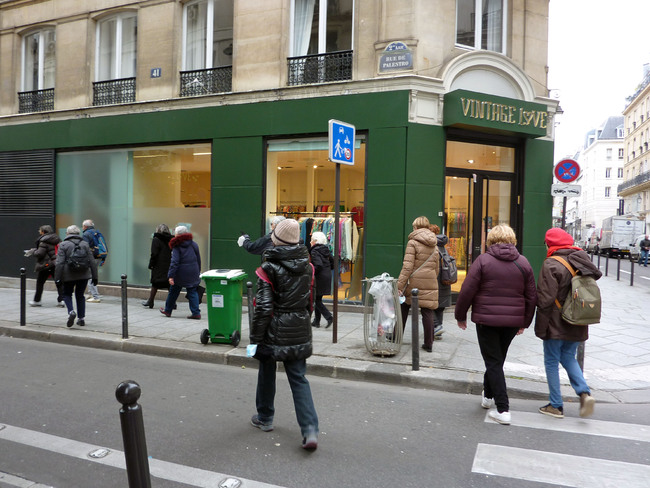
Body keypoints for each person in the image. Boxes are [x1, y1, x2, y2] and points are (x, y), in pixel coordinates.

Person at [454, 224, 537, 425]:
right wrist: (525, 322)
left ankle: (503, 409)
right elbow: (532, 296)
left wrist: (460, 315)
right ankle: (487, 396)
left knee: (493, 361)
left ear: (490, 240)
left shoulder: (483, 261)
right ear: (512, 240)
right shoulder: (523, 262)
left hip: (487, 320)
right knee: (496, 360)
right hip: (511, 322)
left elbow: (467, 290)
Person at [249, 218, 319, 450]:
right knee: (299, 378)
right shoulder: (308, 266)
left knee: (267, 372)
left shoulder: (268, 268)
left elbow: (264, 308)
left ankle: (265, 417)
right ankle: (309, 430)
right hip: (299, 325)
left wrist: (255, 339)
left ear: (276, 240)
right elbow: (310, 300)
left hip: (273, 328)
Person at [535, 227, 601, 419]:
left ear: (550, 244)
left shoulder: (551, 264)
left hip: (556, 320)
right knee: (569, 356)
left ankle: (555, 405)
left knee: (551, 361)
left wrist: (540, 323)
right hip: (579, 318)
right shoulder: (583, 259)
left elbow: (546, 299)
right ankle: (584, 393)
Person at [396, 216, 439, 353]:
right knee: (427, 311)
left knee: (403, 306)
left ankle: (396, 337)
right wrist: (431, 277)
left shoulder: (413, 242)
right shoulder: (434, 243)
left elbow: (407, 267)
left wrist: (399, 286)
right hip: (430, 280)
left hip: (414, 282)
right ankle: (429, 343)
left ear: (416, 227)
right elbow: (437, 267)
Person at [54, 225, 98, 328]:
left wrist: (57, 278)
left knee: (67, 294)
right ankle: (81, 319)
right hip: (83, 275)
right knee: (80, 295)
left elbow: (59, 263)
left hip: (68, 275)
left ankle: (71, 312)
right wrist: (95, 276)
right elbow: (92, 261)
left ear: (67, 233)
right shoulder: (85, 244)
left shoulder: (63, 245)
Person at [160, 226, 202, 319]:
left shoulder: (176, 246)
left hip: (180, 273)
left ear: (178, 235)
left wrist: (171, 276)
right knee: (192, 291)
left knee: (173, 291)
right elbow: (198, 259)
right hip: (193, 271)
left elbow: (174, 262)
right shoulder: (194, 244)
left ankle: (168, 310)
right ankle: (196, 313)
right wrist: (198, 271)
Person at [27, 225, 63, 307]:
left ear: (43, 231)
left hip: (46, 264)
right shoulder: (57, 239)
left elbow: (40, 253)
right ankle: (62, 300)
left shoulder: (43, 240)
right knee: (59, 282)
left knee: (40, 282)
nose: (39, 232)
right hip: (56, 263)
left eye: (40, 231)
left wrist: (33, 251)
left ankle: (37, 300)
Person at [142, 224, 173, 308]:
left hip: (158, 265)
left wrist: (151, 264)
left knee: (155, 283)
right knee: (169, 283)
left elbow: (154, 254)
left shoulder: (156, 239)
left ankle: (151, 301)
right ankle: (173, 303)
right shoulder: (171, 239)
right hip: (169, 264)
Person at [309, 231, 334, 328]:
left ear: (315, 241)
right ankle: (316, 321)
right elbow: (333, 262)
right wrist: (327, 269)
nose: (310, 242)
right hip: (326, 275)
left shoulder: (314, 251)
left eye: (311, 240)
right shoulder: (326, 250)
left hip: (319, 277)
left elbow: (318, 265)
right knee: (318, 298)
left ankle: (329, 317)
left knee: (316, 299)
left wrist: (311, 270)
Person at [430, 224, 449, 339]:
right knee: (440, 305)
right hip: (445, 279)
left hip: (435, 278)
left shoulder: (432, 246)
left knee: (429, 305)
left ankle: (437, 326)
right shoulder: (443, 245)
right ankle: (438, 329)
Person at [82, 219, 104, 303]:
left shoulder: (86, 234)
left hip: (92, 257)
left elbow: (85, 247)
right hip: (98, 256)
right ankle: (91, 294)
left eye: (83, 226)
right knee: (92, 274)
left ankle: (95, 296)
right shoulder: (96, 232)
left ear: (85, 226)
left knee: (91, 276)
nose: (82, 227)